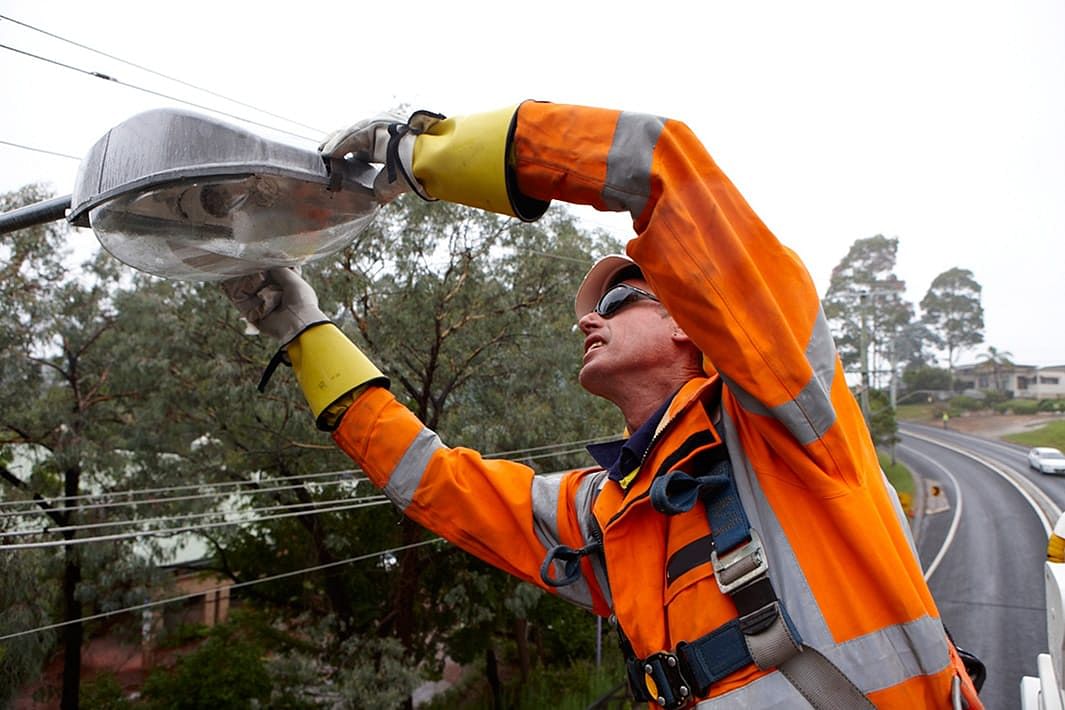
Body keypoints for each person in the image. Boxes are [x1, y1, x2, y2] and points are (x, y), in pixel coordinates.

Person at [223, 102, 982, 709]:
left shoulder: (790, 429)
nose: (589, 319)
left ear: (689, 318)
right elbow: (433, 479)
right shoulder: (610, 512)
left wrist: (420, 155)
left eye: (618, 300)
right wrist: (299, 328)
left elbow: (661, 166)